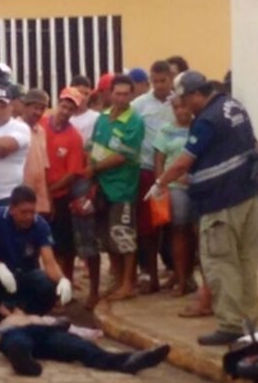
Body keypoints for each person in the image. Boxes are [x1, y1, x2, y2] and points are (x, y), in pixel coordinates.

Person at [150, 71, 258, 346]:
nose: (183, 107)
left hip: (221, 203)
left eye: (183, 100)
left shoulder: (206, 121)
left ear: (195, 94)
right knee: (246, 261)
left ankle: (230, 325)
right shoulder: (233, 105)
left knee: (221, 262)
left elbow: (181, 163)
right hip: (247, 195)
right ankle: (249, 321)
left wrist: (160, 183)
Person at [0, 309, 171, 378]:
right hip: (15, 334)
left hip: (48, 335)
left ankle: (128, 362)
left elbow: (71, 327)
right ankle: (24, 363)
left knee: (81, 348)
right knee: (16, 342)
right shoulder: (6, 322)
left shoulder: (44, 317)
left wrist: (87, 333)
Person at [0, 186, 70, 328]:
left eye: (32, 212)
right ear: (12, 209)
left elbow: (49, 263)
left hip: (26, 273)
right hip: (1, 272)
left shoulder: (40, 225)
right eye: (23, 212)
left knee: (49, 286)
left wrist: (62, 279)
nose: (29, 217)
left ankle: (27, 318)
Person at [88, 75, 145, 301]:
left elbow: (123, 156)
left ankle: (128, 284)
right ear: (110, 94)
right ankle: (117, 279)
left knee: (124, 236)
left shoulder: (135, 122)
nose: (121, 98)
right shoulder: (102, 119)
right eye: (117, 93)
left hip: (123, 187)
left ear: (131, 95)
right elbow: (92, 146)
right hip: (101, 186)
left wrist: (94, 169)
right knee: (107, 236)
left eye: (125, 94)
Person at [131, 61, 175, 295]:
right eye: (154, 81)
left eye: (163, 81)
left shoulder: (179, 102)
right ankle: (151, 275)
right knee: (148, 228)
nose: (158, 86)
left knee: (176, 226)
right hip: (147, 170)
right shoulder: (139, 105)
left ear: (171, 78)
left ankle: (180, 276)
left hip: (176, 172)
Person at [154, 94, 198, 304]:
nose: (182, 111)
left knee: (197, 234)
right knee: (179, 231)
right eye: (177, 107)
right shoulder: (165, 132)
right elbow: (159, 161)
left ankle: (193, 279)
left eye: (184, 106)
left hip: (199, 185)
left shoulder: (200, 128)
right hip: (175, 187)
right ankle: (181, 279)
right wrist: (161, 186)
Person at [44, 88, 88, 288]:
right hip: (37, 196)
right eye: (63, 106)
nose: (65, 111)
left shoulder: (74, 137)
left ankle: (65, 284)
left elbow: (73, 173)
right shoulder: (40, 125)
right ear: (57, 104)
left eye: (70, 108)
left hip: (60, 196)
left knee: (63, 246)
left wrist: (50, 190)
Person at [21, 89, 51, 215]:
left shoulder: (41, 131)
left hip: (39, 199)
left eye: (42, 109)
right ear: (25, 107)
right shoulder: (15, 129)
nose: (38, 112)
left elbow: (44, 167)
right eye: (35, 108)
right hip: (21, 197)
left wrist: (48, 198)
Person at [67, 76, 99, 144]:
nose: (83, 97)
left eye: (86, 94)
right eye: (80, 93)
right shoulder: (65, 118)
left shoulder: (96, 118)